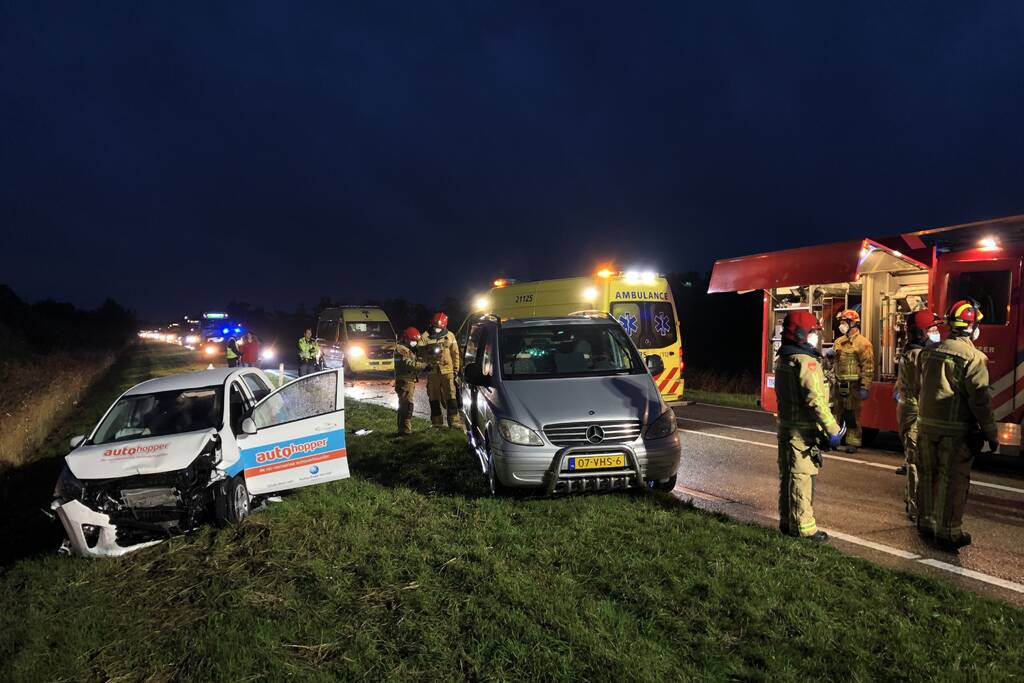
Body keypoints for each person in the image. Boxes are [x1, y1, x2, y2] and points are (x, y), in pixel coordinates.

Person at [915, 300, 997, 551]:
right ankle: (949, 532)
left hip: (926, 427)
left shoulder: (929, 352)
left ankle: (926, 523)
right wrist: (991, 432)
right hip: (956, 432)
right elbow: (980, 400)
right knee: (952, 481)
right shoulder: (974, 358)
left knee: (928, 476)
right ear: (971, 327)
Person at [774, 310, 845, 542]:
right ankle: (803, 529)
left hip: (787, 429)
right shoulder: (806, 362)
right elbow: (816, 400)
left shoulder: (784, 358)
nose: (816, 336)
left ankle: (788, 522)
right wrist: (833, 430)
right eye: (814, 332)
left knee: (789, 477)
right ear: (803, 333)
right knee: (802, 478)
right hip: (802, 433)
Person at [893, 310, 942, 522]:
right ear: (922, 332)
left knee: (915, 458)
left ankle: (913, 500)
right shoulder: (917, 355)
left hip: (910, 411)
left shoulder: (912, 352)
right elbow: (926, 386)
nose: (937, 332)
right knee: (916, 460)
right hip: (914, 413)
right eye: (932, 329)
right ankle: (916, 506)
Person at [830, 309, 874, 453]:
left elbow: (868, 367)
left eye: (844, 322)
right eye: (841, 322)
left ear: (853, 323)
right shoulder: (839, 342)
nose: (841, 325)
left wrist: (865, 387)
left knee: (852, 414)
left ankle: (852, 442)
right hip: (838, 385)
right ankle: (834, 439)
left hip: (853, 386)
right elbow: (834, 363)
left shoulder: (863, 343)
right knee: (836, 412)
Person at [419, 312, 462, 428]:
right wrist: (428, 354)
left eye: (439, 327)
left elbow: (455, 353)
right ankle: (437, 424)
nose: (437, 329)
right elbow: (420, 352)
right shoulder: (425, 336)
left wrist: (456, 369)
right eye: (435, 327)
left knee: (451, 397)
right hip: (432, 372)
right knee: (433, 398)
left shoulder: (450, 336)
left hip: (448, 372)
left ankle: (454, 423)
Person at [394, 327, 426, 435]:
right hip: (404, 382)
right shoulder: (401, 349)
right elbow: (408, 364)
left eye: (416, 341)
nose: (414, 343)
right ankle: (404, 431)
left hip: (408, 381)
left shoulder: (407, 349)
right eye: (413, 340)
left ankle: (403, 429)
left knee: (405, 406)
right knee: (406, 406)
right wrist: (424, 366)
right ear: (406, 339)